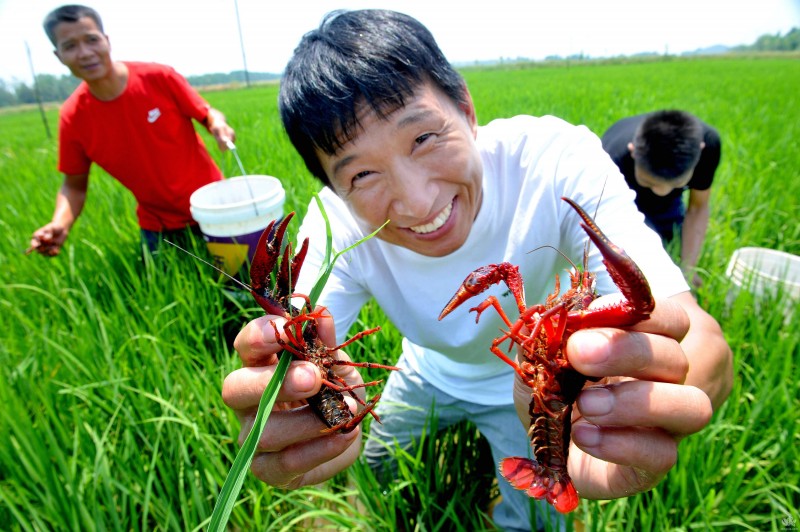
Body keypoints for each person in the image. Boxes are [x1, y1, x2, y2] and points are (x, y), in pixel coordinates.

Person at [221, 10, 732, 531]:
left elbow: (696, 334)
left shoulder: (557, 161)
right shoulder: (335, 227)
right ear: (332, 187)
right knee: (372, 467)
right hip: (423, 372)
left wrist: (651, 404)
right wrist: (287, 406)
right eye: (362, 174)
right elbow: (299, 333)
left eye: (423, 138)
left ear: (466, 107)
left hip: (532, 397)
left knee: (533, 522)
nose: (418, 203)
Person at [28, 4, 235, 256]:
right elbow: (74, 186)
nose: (84, 53)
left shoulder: (158, 77)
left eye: (91, 40)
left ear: (106, 40)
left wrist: (218, 125)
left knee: (239, 287)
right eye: (70, 46)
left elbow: (207, 114)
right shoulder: (73, 117)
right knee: (166, 292)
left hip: (215, 207)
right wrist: (60, 223)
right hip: (157, 225)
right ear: (58, 55)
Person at [600, 110, 721, 284]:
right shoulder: (612, 158)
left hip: (670, 206)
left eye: (677, 183)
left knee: (669, 250)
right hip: (624, 198)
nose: (661, 192)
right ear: (632, 150)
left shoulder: (708, 146)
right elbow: (605, 223)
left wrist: (688, 270)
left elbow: (697, 208)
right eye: (649, 182)